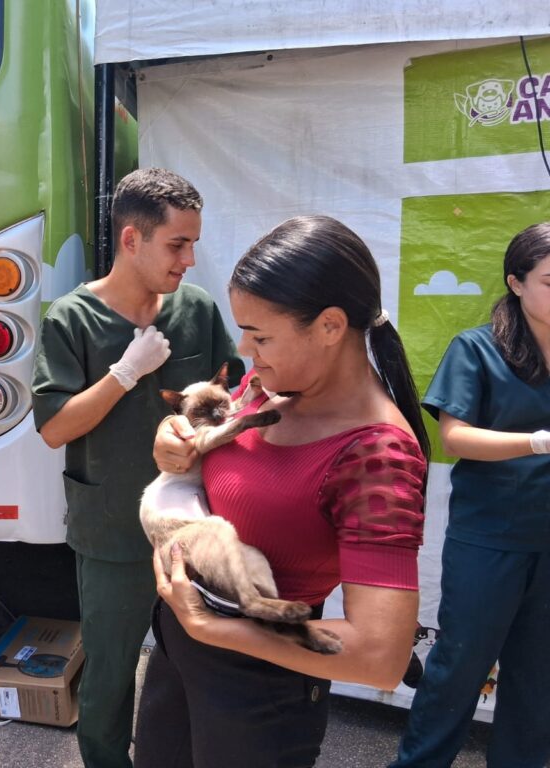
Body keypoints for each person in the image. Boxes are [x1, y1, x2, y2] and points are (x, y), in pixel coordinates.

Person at [135, 215, 431, 768]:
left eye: (261, 335)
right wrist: (173, 439)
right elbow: (210, 441)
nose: (245, 347)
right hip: (181, 644)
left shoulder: (376, 455)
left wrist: (215, 627)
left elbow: (380, 655)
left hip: (258, 680)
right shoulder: (267, 385)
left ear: (330, 326)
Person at [31, 167, 243, 768]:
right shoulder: (71, 318)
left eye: (193, 243)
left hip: (195, 528)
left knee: (203, 665)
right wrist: (124, 373)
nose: (190, 260)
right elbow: (54, 428)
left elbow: (233, 391)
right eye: (177, 244)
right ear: (131, 239)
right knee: (111, 673)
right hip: (113, 529)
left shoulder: (195, 309)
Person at [391, 223, 550, 768]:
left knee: (538, 677)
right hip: (490, 537)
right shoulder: (477, 348)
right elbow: (454, 437)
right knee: (459, 667)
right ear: (516, 282)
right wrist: (537, 441)